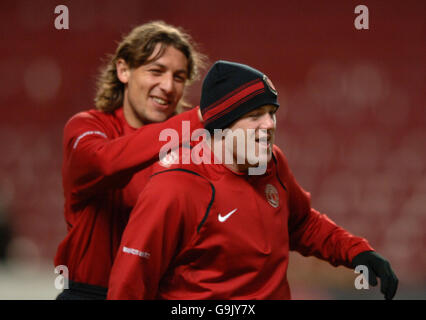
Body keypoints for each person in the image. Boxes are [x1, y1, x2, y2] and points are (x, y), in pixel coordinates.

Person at [107, 60, 398, 300]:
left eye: (272, 113)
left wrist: (357, 252)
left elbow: (301, 223)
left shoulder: (272, 163)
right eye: (255, 115)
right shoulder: (175, 186)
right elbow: (130, 282)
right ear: (223, 125)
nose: (269, 125)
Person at [54, 21, 206, 299]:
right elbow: (105, 162)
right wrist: (194, 121)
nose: (168, 86)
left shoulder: (191, 148)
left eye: (179, 77)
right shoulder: (86, 127)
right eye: (156, 71)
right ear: (124, 70)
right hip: (89, 294)